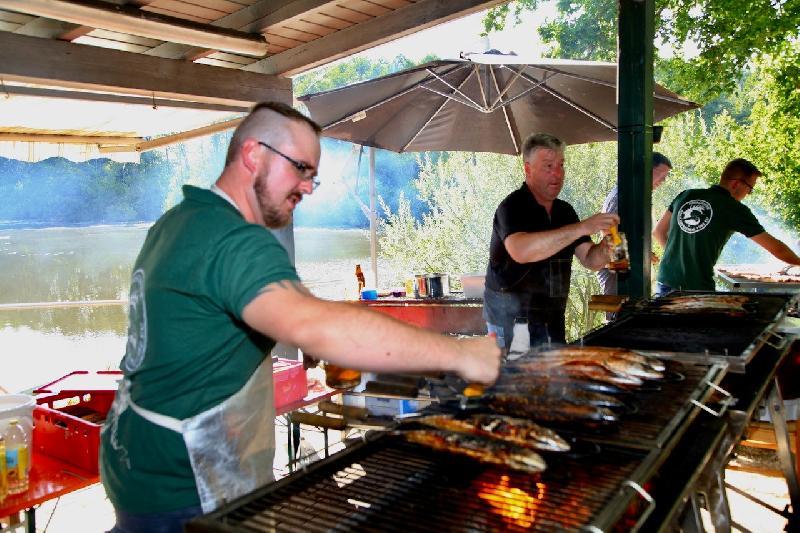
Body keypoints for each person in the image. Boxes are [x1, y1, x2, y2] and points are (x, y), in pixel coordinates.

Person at [99, 102, 501, 532]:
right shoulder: (234, 240)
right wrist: (460, 354)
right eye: (300, 169)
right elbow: (315, 326)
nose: (308, 187)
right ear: (253, 154)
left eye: (313, 175)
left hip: (136, 462)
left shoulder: (182, 220)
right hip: (185, 486)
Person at [483, 133, 619, 351]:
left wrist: (605, 249)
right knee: (518, 381)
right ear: (528, 169)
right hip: (512, 321)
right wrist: (583, 227)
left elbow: (590, 260)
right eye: (548, 166)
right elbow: (521, 251)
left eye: (561, 165)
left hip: (552, 318)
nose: (558, 174)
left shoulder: (565, 211)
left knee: (551, 380)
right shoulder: (512, 207)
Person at [653, 158, 800, 296]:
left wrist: (681, 256)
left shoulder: (686, 195)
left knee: (664, 323)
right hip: (696, 289)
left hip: (665, 282)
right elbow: (777, 249)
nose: (748, 194)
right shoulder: (733, 208)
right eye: (750, 189)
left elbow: (658, 232)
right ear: (736, 184)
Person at [596, 152, 672, 301]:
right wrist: (623, 270)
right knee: (618, 320)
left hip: (626, 270)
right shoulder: (622, 195)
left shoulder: (638, 195)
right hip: (616, 272)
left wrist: (643, 253)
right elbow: (609, 232)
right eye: (662, 175)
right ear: (647, 170)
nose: (663, 180)